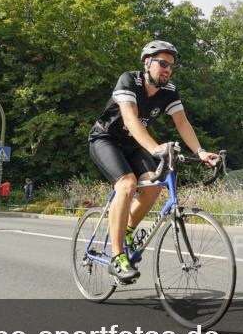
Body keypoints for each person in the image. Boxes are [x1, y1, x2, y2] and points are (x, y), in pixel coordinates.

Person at [89, 40, 219, 284]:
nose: (167, 69)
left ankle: (126, 230)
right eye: (163, 63)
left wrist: (200, 151)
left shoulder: (169, 90)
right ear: (147, 62)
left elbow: (182, 123)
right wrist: (156, 148)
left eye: (171, 66)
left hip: (133, 146)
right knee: (127, 185)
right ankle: (117, 257)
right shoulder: (129, 80)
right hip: (105, 140)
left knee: (155, 184)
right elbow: (130, 119)